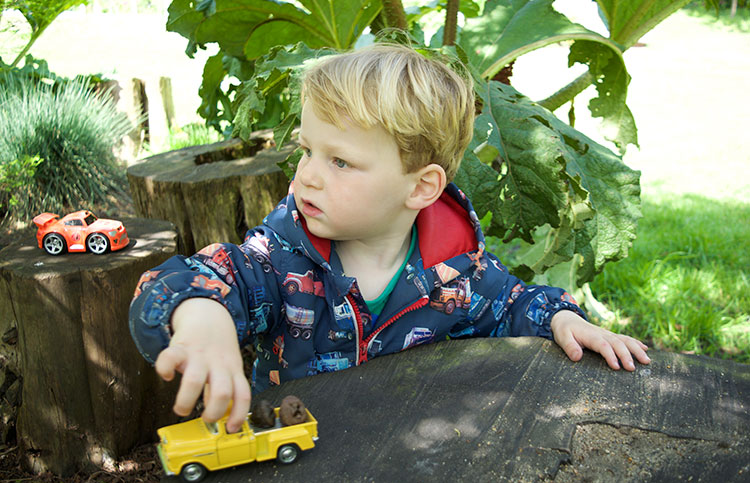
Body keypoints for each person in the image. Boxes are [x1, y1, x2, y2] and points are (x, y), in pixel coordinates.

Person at [129, 43, 650, 433]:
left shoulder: (456, 271)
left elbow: (514, 303)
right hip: (297, 458)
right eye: (306, 150)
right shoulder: (278, 259)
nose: (307, 175)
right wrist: (204, 317)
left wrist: (561, 317)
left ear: (421, 186)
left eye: (340, 161)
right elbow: (190, 279)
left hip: (404, 459)